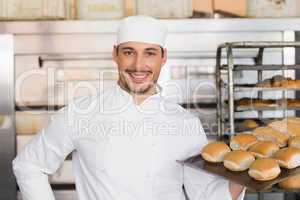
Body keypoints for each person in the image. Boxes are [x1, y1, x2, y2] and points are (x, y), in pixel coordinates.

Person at [13, 15, 245, 200]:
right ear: (115, 54)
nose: (138, 65)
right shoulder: (81, 113)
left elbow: (205, 195)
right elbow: (28, 165)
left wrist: (245, 175)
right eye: (129, 52)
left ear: (164, 58)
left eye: (150, 53)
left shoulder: (185, 124)